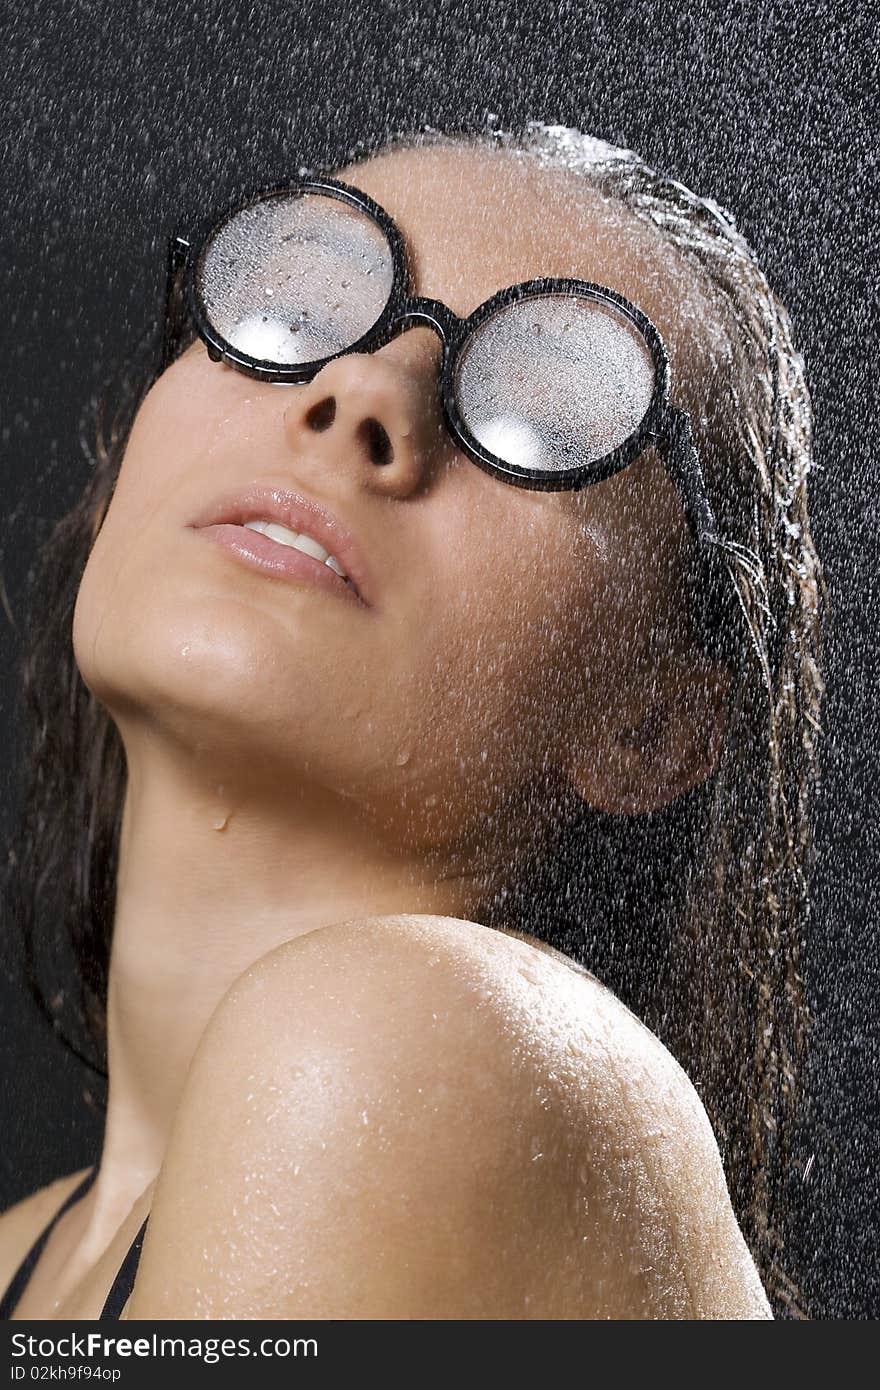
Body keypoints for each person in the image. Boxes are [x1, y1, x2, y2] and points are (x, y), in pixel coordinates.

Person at [0, 118, 825, 1319]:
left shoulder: (409, 1046)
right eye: (294, 303)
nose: (361, 388)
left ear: (649, 722)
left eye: (544, 416)